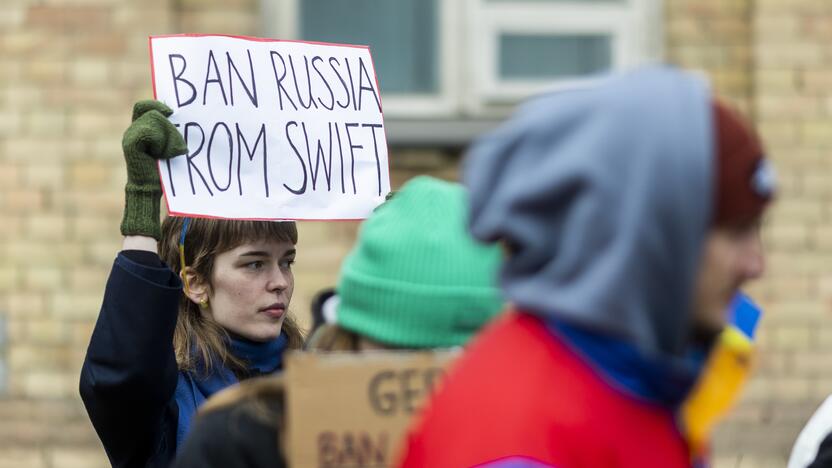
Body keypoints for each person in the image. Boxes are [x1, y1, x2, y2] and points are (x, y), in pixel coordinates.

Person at [397, 66, 775, 468]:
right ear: (652, 236)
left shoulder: (641, 382)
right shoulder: (523, 441)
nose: (757, 263)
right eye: (737, 232)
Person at [171, 175, 505, 468]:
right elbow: (129, 372)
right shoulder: (244, 435)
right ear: (356, 333)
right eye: (399, 349)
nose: (426, 381)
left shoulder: (535, 425)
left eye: (459, 353)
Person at [79, 100, 304, 468]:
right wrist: (142, 208)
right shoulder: (170, 405)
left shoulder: (322, 378)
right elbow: (120, 377)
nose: (279, 282)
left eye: (287, 261)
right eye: (254, 264)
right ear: (196, 283)